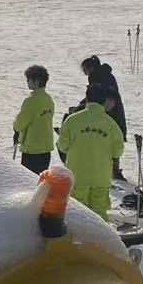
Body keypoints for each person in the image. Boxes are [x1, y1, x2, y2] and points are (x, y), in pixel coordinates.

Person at [55, 83, 124, 218]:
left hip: (77, 176)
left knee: (76, 213)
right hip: (101, 177)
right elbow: (117, 152)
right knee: (99, 214)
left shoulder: (72, 120)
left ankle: (77, 238)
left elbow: (62, 146)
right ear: (104, 101)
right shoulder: (111, 124)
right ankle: (100, 238)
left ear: (86, 99)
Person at [72, 55, 128, 176]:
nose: (85, 73)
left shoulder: (95, 76)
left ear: (89, 68)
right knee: (114, 138)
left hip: (107, 110)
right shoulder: (105, 73)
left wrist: (79, 108)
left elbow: (94, 96)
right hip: (116, 109)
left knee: (104, 137)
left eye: (85, 70)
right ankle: (115, 168)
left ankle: (107, 168)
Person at [13, 65, 55, 175]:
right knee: (40, 180)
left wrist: (15, 125)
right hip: (46, 148)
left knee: (29, 181)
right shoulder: (48, 99)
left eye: (28, 79)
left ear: (36, 81)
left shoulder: (30, 101)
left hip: (32, 149)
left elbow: (19, 125)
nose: (27, 82)